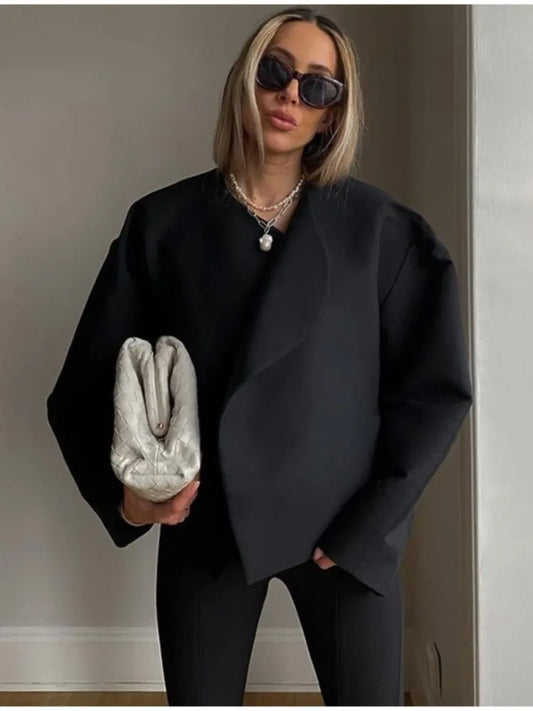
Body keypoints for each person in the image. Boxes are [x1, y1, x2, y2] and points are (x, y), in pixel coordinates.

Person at [46, 5, 473, 706]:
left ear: (332, 114)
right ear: (245, 79)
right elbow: (86, 381)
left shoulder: (382, 231)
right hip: (207, 524)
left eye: (317, 85)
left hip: (344, 526)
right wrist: (128, 500)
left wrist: (370, 521)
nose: (289, 95)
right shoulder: (164, 224)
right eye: (275, 71)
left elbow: (433, 390)